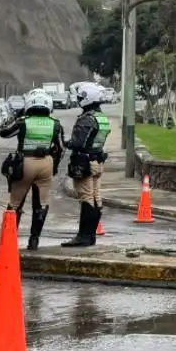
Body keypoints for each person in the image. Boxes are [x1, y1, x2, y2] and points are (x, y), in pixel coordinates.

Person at [0, 89, 64, 251]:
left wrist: (18, 116)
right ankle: (34, 240)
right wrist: (54, 167)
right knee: (40, 204)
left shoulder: (23, 121)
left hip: (25, 162)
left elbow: (4, 133)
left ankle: (9, 240)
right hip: (46, 164)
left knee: (15, 203)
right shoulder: (55, 123)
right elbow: (61, 148)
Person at [60, 82, 110, 248]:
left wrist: (64, 141)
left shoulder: (86, 119)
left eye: (81, 97)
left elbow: (77, 143)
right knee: (95, 197)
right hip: (98, 161)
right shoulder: (101, 117)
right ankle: (90, 235)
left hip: (85, 162)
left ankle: (83, 236)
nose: (79, 99)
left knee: (86, 198)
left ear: (88, 98)